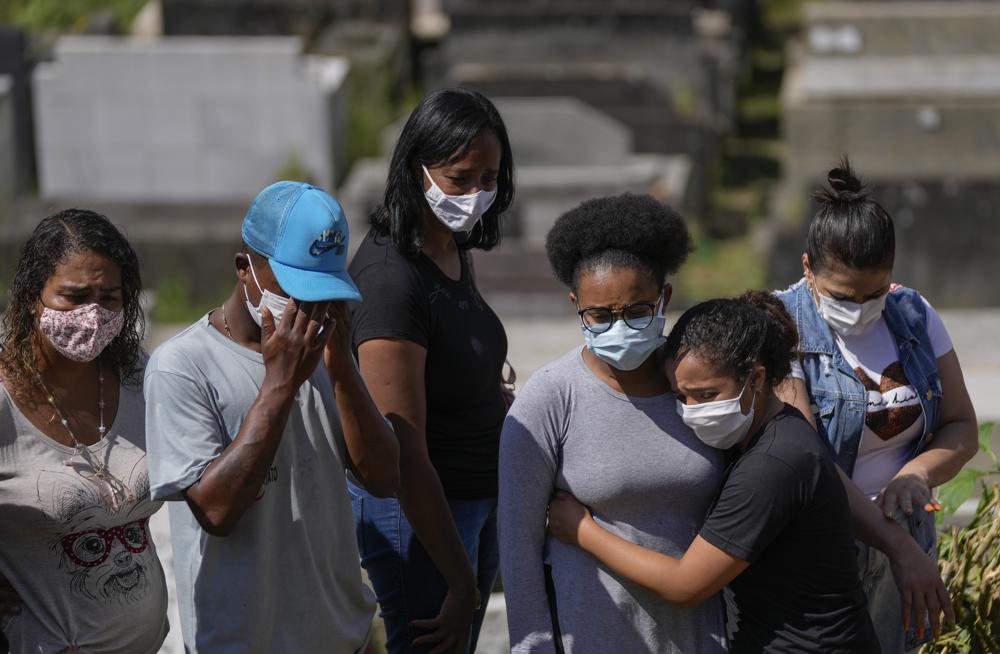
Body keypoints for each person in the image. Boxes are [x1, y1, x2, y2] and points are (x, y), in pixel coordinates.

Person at [547, 291, 884, 653]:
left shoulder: (774, 464)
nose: (692, 412)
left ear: (755, 378)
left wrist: (582, 530)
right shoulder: (766, 436)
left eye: (706, 395)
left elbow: (685, 585)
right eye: (681, 398)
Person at [145, 182, 399, 653]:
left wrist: (342, 370)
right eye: (296, 291)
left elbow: (384, 477)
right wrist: (280, 383)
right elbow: (217, 512)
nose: (311, 310)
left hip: (343, 638)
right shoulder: (183, 366)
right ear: (245, 269)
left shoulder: (328, 352)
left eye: (324, 294)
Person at [499, 194, 727, 653]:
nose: (617, 328)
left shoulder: (704, 387)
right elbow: (518, 550)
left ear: (664, 298)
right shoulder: (549, 398)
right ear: (574, 305)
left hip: (703, 639)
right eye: (599, 316)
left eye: (636, 311)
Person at [776, 161, 977, 652]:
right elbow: (810, 463)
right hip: (823, 552)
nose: (862, 307)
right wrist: (899, 548)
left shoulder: (912, 312)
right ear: (807, 266)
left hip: (903, 549)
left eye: (874, 293)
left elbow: (961, 425)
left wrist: (918, 474)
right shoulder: (780, 323)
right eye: (844, 295)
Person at [347, 88, 514, 653]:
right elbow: (403, 451)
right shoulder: (392, 279)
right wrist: (462, 578)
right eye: (459, 178)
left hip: (475, 496)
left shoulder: (448, 246)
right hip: (423, 520)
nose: (475, 195)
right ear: (415, 169)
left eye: (488, 179)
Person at [0, 209, 168, 653]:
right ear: (31, 297)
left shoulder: (138, 377)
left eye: (108, 297)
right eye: (73, 297)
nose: (91, 316)